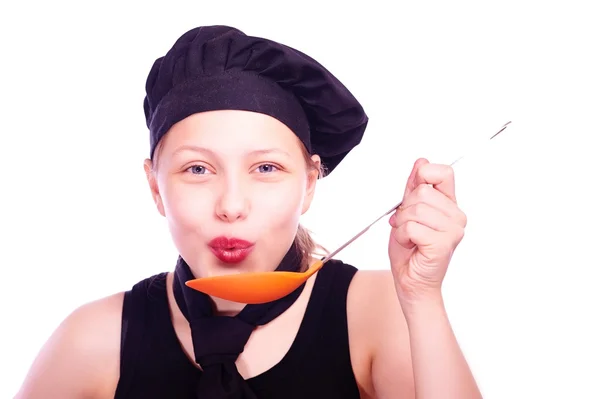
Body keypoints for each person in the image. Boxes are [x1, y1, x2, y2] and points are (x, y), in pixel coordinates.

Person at [15, 25, 481, 399]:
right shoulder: (94, 340)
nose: (232, 206)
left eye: (265, 167)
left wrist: (421, 298)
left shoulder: (376, 310)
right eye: (198, 168)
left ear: (309, 184)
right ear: (156, 187)